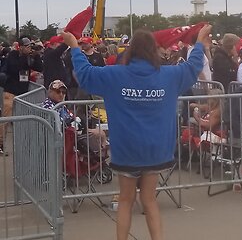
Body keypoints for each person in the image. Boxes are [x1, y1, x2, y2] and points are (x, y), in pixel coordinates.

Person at [61, 24, 211, 240]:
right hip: (155, 149)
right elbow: (193, 66)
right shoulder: (170, 75)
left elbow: (84, 74)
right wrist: (198, 43)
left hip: (126, 149)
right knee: (149, 200)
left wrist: (75, 46)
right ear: (153, 50)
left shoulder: (115, 75)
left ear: (130, 50)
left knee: (125, 199)